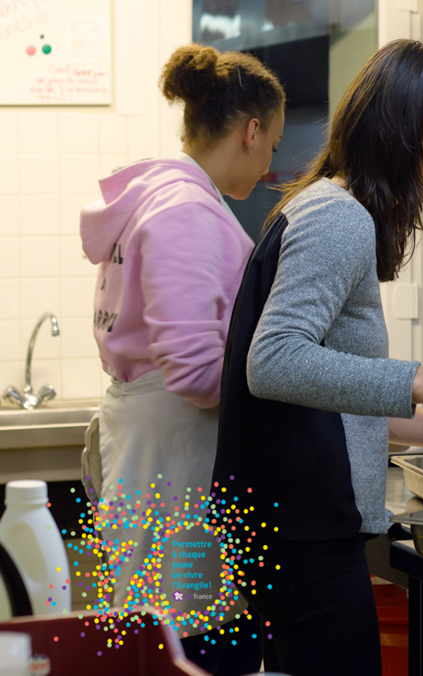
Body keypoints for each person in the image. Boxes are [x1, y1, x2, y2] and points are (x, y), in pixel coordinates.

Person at [211, 40, 423, 676]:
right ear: (400, 128)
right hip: (301, 531)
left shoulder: (323, 204)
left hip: (285, 525)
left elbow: (331, 397)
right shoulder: (339, 216)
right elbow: (272, 362)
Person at [79, 44, 285, 675]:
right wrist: (288, 381)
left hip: (166, 458)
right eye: (273, 143)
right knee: (194, 639)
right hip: (178, 469)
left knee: (171, 628)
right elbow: (196, 372)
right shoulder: (186, 213)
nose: (272, 161)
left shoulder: (162, 197)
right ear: (251, 131)